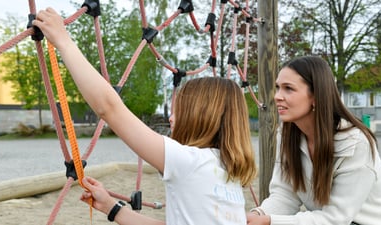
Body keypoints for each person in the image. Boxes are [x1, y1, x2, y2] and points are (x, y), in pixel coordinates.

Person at [33, 8, 257, 225]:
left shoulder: (188, 162)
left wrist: (63, 41)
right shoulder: (228, 170)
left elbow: (109, 108)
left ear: (200, 117)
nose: (171, 119)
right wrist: (112, 208)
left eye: (179, 111)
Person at [247, 56, 381, 225]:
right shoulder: (286, 136)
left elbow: (337, 218)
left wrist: (270, 221)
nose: (277, 96)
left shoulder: (355, 143)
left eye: (288, 88)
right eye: (277, 88)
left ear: (316, 96)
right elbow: (285, 196)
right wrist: (258, 214)